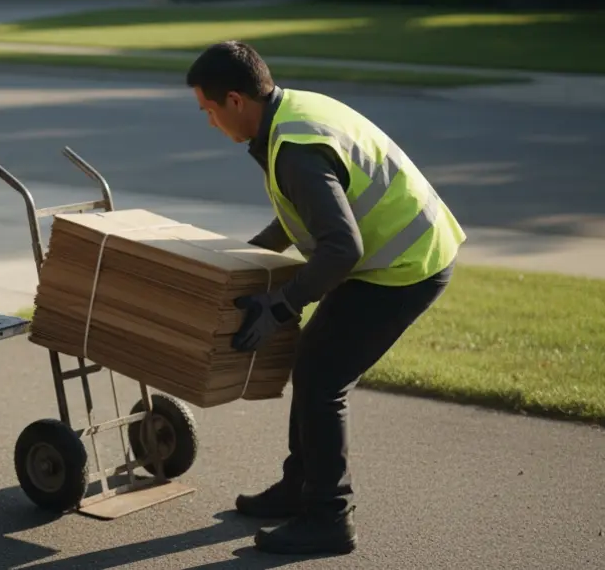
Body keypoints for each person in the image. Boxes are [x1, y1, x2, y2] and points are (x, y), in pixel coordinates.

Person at [185, 40, 465, 556]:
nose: (209, 122)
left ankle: (329, 518)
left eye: (208, 111)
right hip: (394, 254)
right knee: (312, 363)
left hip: (406, 266)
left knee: (321, 377)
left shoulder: (294, 149)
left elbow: (340, 248)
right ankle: (302, 489)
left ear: (235, 101)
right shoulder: (289, 115)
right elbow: (304, 214)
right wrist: (246, 258)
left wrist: (281, 305)